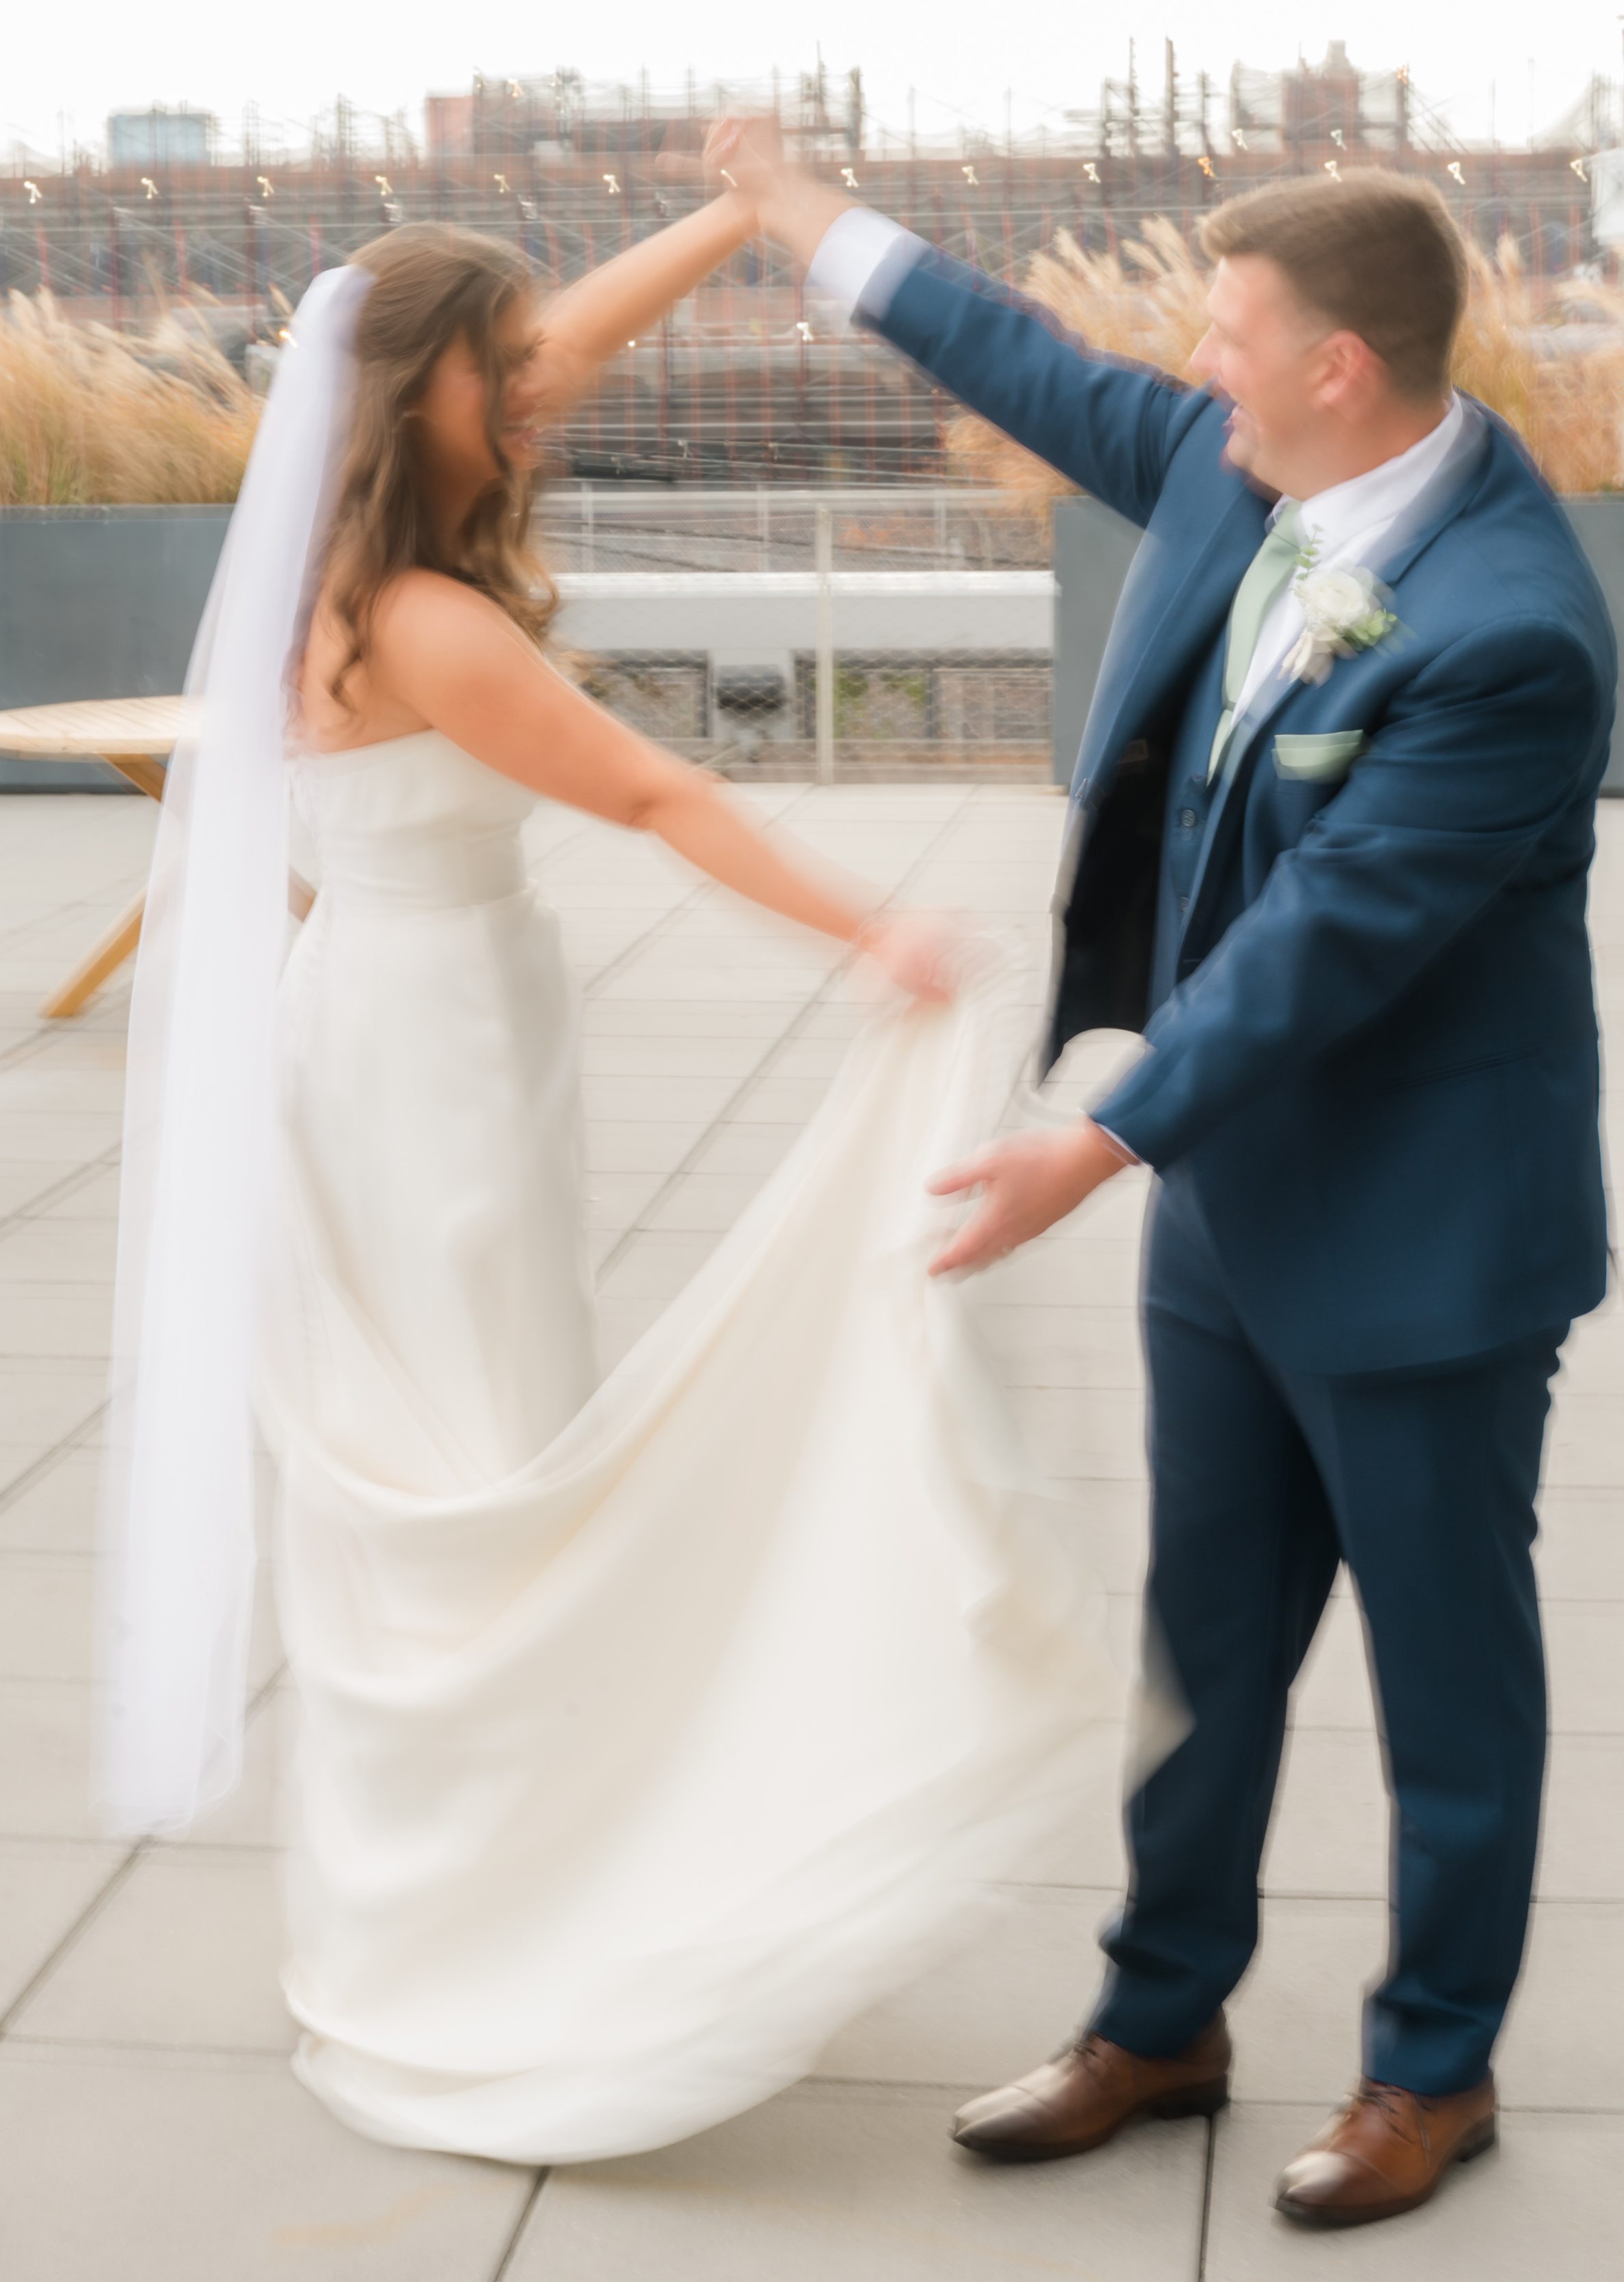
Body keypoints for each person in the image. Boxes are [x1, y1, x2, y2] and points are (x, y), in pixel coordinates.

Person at [99, 195, 1118, 2163]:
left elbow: (555, 348)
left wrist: (731, 213)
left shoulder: (314, 572)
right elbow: (661, 792)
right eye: (510, 374)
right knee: (497, 1463)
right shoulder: (434, 623)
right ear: (431, 391)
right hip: (444, 1063)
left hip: (360, 1018)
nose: (547, 395)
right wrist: (874, 938)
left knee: (409, 1471)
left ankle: (425, 1909)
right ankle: (522, 1924)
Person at [725, 124, 1616, 2228]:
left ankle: (1432, 2073)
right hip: (1232, 1217)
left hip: (1422, 1237)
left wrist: (1097, 1139)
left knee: (1446, 1679)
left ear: (1343, 369)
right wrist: (804, 224)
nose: (1195, 375)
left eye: (1231, 344)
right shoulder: (1253, 471)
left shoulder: (1512, 635)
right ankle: (1162, 2019)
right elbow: (1039, 371)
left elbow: (1336, 938)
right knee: (1199, 1647)